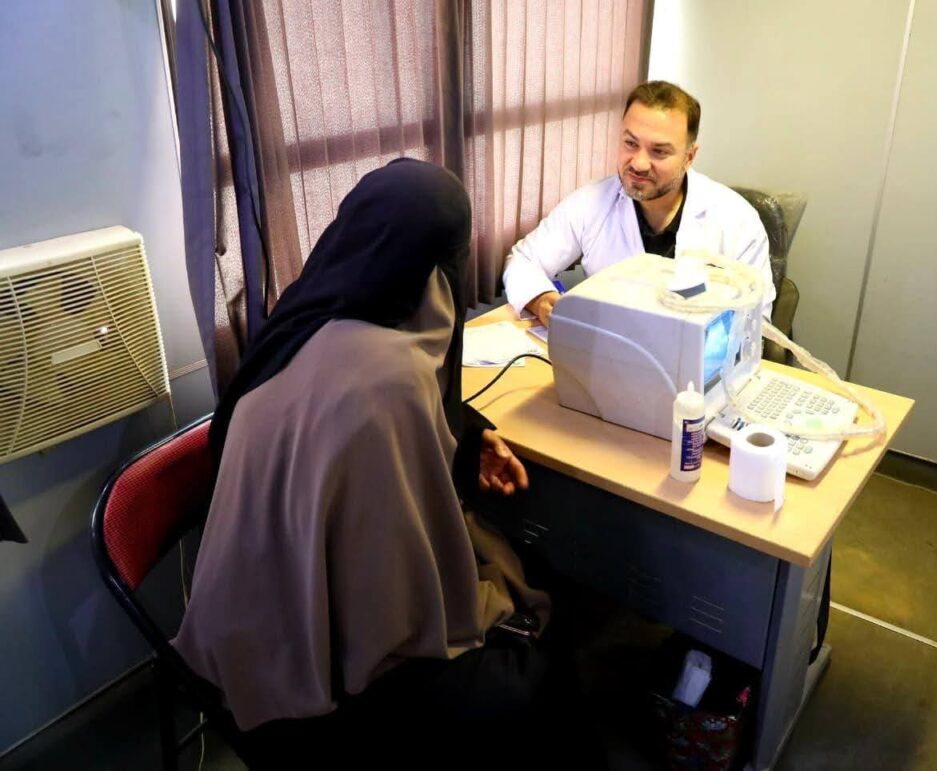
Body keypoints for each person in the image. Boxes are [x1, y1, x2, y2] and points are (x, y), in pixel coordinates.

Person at [174, 159, 598, 769]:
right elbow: (401, 597)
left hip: (242, 622)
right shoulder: (391, 378)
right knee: (530, 629)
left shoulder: (305, 313)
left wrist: (469, 436)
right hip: (323, 677)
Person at [502, 80, 775, 327]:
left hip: (699, 362)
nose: (639, 163)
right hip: (609, 351)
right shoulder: (591, 203)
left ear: (689, 157)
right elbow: (524, 260)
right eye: (631, 143)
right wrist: (541, 299)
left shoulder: (737, 221)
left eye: (659, 151)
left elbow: (756, 325)